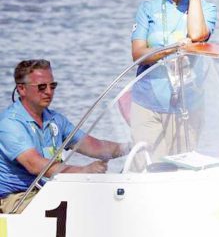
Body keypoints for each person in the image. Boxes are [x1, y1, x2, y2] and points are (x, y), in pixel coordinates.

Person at [0, 59, 128, 213]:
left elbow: (95, 147)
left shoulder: (55, 120)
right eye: (41, 87)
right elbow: (35, 165)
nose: (49, 92)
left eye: (52, 86)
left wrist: (130, 147)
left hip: (44, 190)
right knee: (79, 209)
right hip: (14, 197)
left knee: (107, 200)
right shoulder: (10, 123)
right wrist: (83, 171)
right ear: (21, 89)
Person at [130, 0, 217, 169]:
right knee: (149, 169)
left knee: (181, 170)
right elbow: (138, 55)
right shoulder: (147, 9)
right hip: (147, 102)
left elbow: (197, 35)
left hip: (187, 105)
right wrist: (172, 49)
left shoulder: (206, 8)